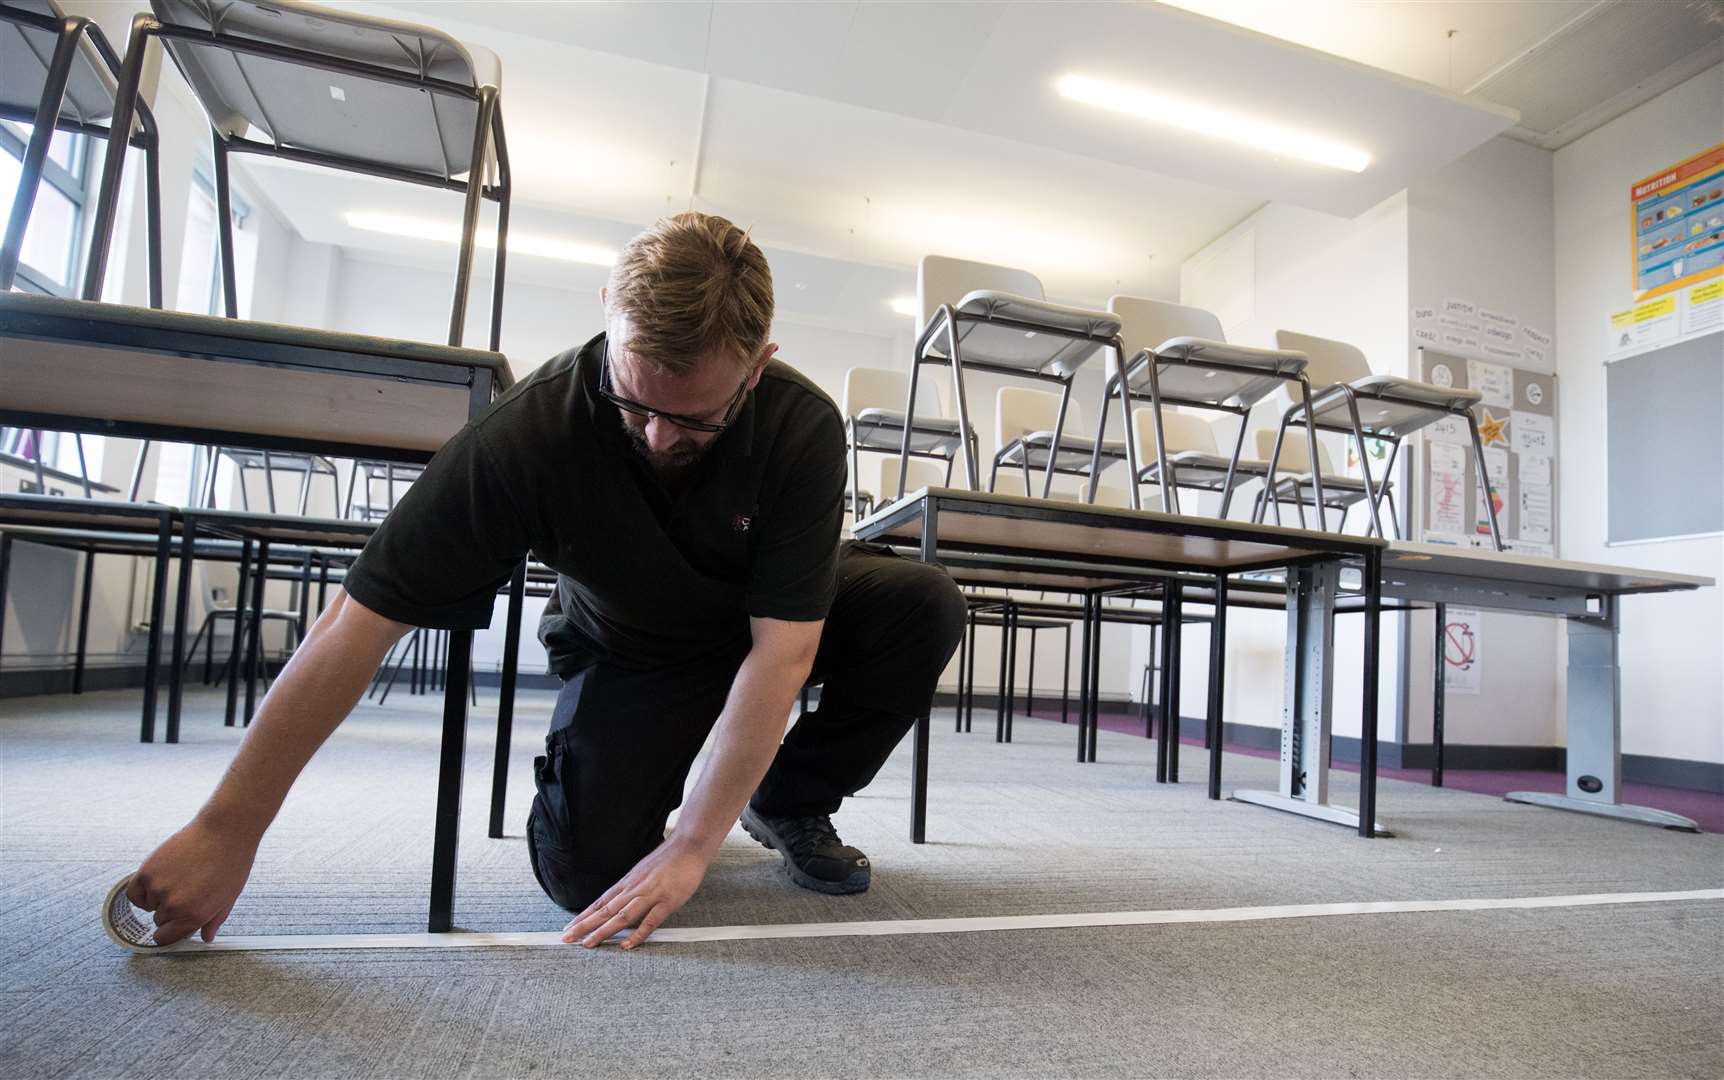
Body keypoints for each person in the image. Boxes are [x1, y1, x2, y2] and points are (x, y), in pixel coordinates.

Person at [123, 212, 968, 950]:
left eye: (696, 421)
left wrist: (693, 846)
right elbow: (358, 620)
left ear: (757, 367)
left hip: (770, 624)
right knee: (586, 875)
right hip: (641, 650)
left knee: (922, 603)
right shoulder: (527, 434)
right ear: (609, 324)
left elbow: (781, 658)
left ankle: (786, 799)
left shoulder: (800, 425)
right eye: (635, 404)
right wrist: (226, 827)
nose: (657, 439)